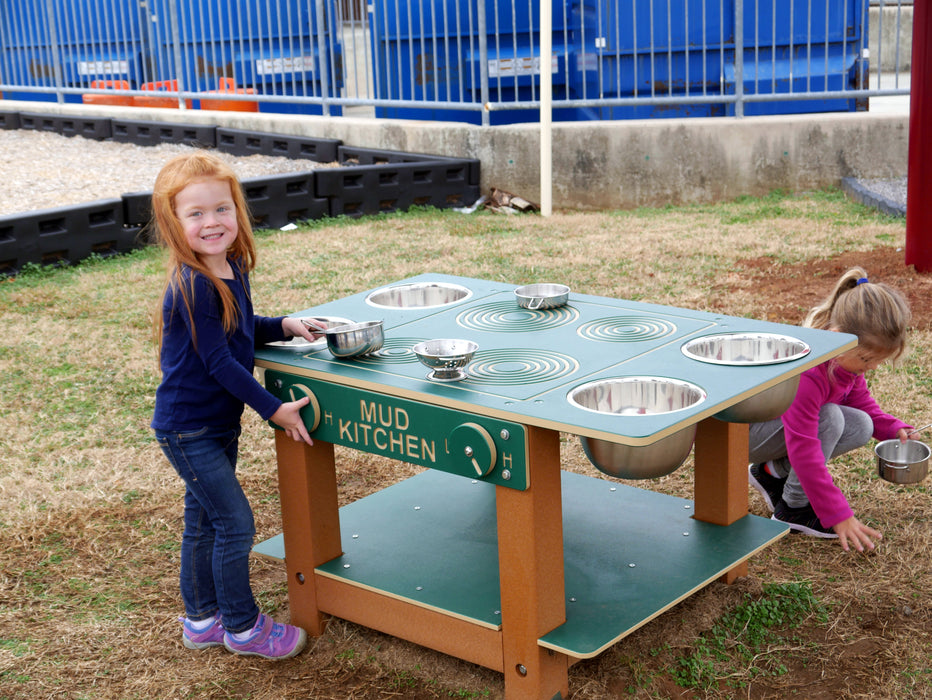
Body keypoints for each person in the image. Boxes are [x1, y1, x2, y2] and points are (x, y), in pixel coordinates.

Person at [150, 151, 323, 659]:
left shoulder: (232, 267)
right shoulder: (195, 285)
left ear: (237, 211)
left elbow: (241, 330)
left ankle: (202, 620)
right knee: (234, 524)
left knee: (204, 522)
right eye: (196, 213)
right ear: (173, 223)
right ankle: (244, 629)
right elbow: (220, 364)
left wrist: (283, 325)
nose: (212, 222)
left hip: (214, 426)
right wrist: (274, 408)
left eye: (221, 209)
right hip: (189, 430)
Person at [747, 266, 913, 553]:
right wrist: (838, 514)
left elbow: (861, 402)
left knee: (862, 424)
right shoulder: (809, 372)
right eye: (866, 358)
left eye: (879, 360)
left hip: (775, 430)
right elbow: (805, 449)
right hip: (744, 435)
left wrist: (893, 427)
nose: (873, 367)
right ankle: (793, 510)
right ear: (837, 337)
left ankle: (771, 472)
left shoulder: (844, 360)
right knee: (830, 418)